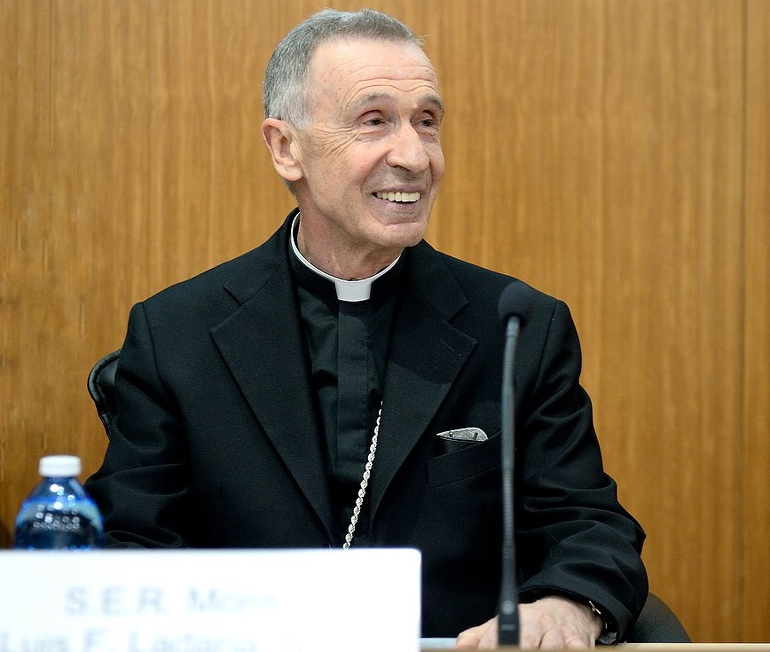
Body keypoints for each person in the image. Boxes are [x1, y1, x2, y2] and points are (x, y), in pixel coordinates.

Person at [85, 8, 647, 649]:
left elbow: (587, 522)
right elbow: (133, 543)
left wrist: (567, 606)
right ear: (285, 147)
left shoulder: (516, 327)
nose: (413, 156)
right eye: (373, 121)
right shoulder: (177, 332)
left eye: (427, 123)